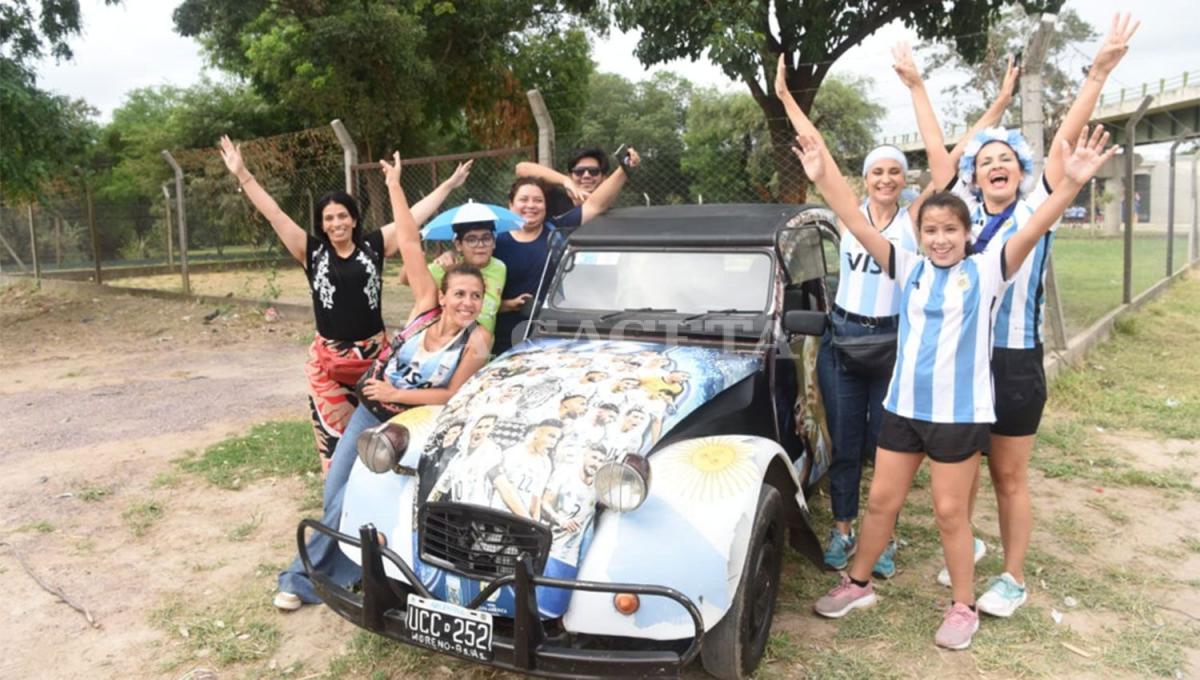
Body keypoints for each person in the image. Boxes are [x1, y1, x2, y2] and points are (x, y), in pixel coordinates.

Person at [797, 125, 1115, 649]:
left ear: (968, 234)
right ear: (918, 235)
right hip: (904, 409)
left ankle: (962, 606)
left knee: (949, 512)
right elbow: (852, 217)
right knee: (881, 503)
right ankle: (858, 584)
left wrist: (1070, 186)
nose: (941, 239)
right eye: (931, 230)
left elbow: (1035, 225)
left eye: (951, 230)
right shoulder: (908, 269)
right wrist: (822, 172)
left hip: (959, 415)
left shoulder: (990, 269)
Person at [775, 46, 1013, 576]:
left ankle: (883, 541)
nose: (884, 178)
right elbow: (821, 161)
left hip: (892, 346)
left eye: (893, 171)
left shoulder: (914, 224)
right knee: (843, 444)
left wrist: (991, 104)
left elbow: (951, 161)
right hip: (844, 342)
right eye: (876, 171)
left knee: (887, 450)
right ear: (864, 178)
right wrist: (788, 98)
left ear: (905, 180)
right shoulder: (848, 216)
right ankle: (842, 530)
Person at [942, 14, 1139, 616]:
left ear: (1023, 172)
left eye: (1007, 158)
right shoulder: (959, 225)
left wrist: (1097, 74)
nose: (996, 164)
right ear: (974, 176)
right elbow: (939, 163)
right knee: (964, 470)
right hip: (963, 361)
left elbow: (1065, 144)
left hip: (1017, 362)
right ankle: (968, 543)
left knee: (1008, 474)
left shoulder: (1036, 205)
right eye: (985, 160)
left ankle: (1013, 575)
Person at [273, 151, 492, 611]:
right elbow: (410, 241)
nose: (466, 302)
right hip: (371, 410)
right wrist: (394, 184)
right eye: (459, 293)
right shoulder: (425, 307)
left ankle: (303, 579)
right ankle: (350, 568)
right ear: (444, 291)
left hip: (409, 422)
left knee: (353, 497)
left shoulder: (478, 340)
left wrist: (396, 394)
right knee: (337, 491)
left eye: (475, 296)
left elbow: (451, 395)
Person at [219, 136, 472, 473]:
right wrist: (243, 174)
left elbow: (411, 219)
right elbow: (275, 214)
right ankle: (339, 495)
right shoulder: (311, 252)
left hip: (375, 364)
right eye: (328, 218)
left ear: (354, 219)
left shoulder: (373, 246)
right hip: (328, 367)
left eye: (342, 216)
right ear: (321, 225)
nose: (336, 223)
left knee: (380, 440)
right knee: (336, 447)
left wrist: (448, 185)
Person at [493, 147, 642, 353]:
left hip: (551, 335)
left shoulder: (557, 230)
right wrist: (506, 305)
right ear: (510, 205)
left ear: (546, 206)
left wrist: (624, 168)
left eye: (538, 201)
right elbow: (476, 293)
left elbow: (595, 205)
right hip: (504, 338)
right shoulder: (493, 242)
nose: (531, 206)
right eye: (523, 200)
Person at [414, 203, 508, 339]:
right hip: (450, 346)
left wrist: (509, 305)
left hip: (483, 348)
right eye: (471, 240)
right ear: (458, 244)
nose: (480, 245)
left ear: (494, 242)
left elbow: (490, 305)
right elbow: (406, 278)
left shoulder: (500, 268)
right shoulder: (445, 266)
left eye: (486, 238)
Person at [515, 146, 611, 217]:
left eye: (593, 171)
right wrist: (565, 181)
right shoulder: (553, 199)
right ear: (570, 175)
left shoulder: (606, 209)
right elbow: (521, 168)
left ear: (604, 178)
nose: (586, 175)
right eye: (579, 171)